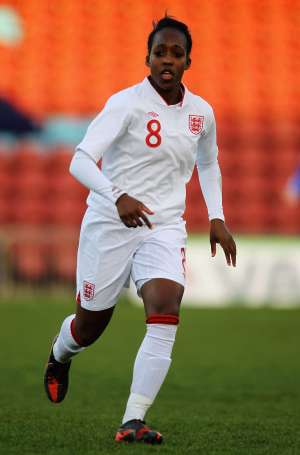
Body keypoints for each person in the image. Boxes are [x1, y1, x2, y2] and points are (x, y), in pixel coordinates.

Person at [44, 15, 236, 445]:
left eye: (176, 53)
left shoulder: (201, 114)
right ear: (146, 58)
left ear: (188, 61)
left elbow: (208, 162)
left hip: (164, 226)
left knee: (166, 305)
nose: (167, 60)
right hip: (110, 223)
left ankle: (133, 419)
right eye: (159, 52)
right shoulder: (125, 104)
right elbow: (80, 159)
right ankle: (60, 352)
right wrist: (118, 196)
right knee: (90, 327)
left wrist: (218, 216)